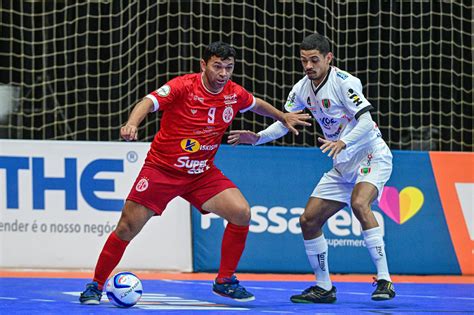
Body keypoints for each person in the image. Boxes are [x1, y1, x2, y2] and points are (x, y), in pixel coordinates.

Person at [78, 41, 311, 305]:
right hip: (162, 170)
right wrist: (132, 123)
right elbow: (148, 101)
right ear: (204, 65)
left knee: (241, 213)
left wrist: (282, 116)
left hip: (201, 174)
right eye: (217, 66)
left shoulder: (233, 93)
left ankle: (224, 281)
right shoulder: (183, 86)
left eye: (229, 68)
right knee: (126, 227)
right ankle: (95, 286)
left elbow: (255, 104)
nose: (223, 74)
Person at [228, 33, 395, 303]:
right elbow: (286, 121)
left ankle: (385, 280)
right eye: (304, 60)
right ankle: (324, 287)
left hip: (370, 155)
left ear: (328, 58)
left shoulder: (345, 82)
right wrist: (258, 137)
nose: (308, 66)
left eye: (314, 60)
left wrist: (343, 141)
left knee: (360, 203)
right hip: (341, 164)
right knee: (308, 220)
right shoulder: (302, 88)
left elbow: (366, 121)